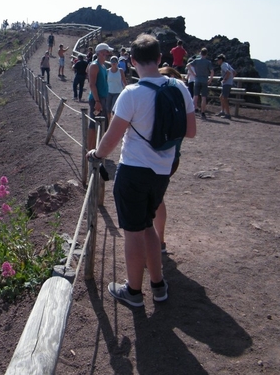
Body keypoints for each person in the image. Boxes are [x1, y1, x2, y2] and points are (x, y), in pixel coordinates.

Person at [86, 34, 196, 307]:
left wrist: (96, 154)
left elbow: (112, 137)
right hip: (162, 172)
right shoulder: (179, 87)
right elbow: (190, 131)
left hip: (134, 171)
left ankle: (133, 292)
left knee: (133, 232)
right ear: (160, 59)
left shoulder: (132, 94)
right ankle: (158, 285)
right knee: (148, 226)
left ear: (132, 61)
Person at [153, 66, 186, 254]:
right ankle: (160, 241)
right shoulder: (181, 95)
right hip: (172, 158)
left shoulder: (156, 94)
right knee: (158, 198)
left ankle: (155, 244)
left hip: (156, 158)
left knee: (153, 200)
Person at [87, 43, 114, 150]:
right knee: (94, 124)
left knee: (103, 124)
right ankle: (90, 148)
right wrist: (97, 101)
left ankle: (97, 147)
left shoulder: (102, 66)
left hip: (102, 98)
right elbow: (92, 84)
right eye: (106, 52)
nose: (107, 54)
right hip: (96, 99)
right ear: (101, 53)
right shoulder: (94, 65)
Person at [191, 48, 215, 119]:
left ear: (200, 53)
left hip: (197, 79)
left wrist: (193, 73)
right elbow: (212, 72)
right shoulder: (208, 62)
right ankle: (203, 112)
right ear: (206, 54)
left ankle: (193, 110)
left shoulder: (196, 61)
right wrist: (210, 79)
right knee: (204, 97)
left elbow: (188, 65)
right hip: (204, 80)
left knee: (195, 96)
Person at [215, 54, 236, 119]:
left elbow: (228, 72)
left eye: (218, 60)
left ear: (221, 60)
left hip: (226, 84)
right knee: (221, 97)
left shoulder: (223, 65)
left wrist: (225, 79)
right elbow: (234, 72)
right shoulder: (227, 64)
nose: (217, 62)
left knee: (224, 98)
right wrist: (230, 79)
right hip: (229, 83)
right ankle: (222, 111)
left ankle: (228, 114)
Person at [106, 55, 127, 123]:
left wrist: (127, 90)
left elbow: (124, 81)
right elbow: (105, 82)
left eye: (115, 61)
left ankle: (112, 123)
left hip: (117, 92)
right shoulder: (108, 71)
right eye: (112, 61)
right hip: (109, 92)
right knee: (108, 109)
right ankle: (109, 122)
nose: (114, 62)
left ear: (117, 62)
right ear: (110, 62)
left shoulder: (120, 71)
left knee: (113, 109)